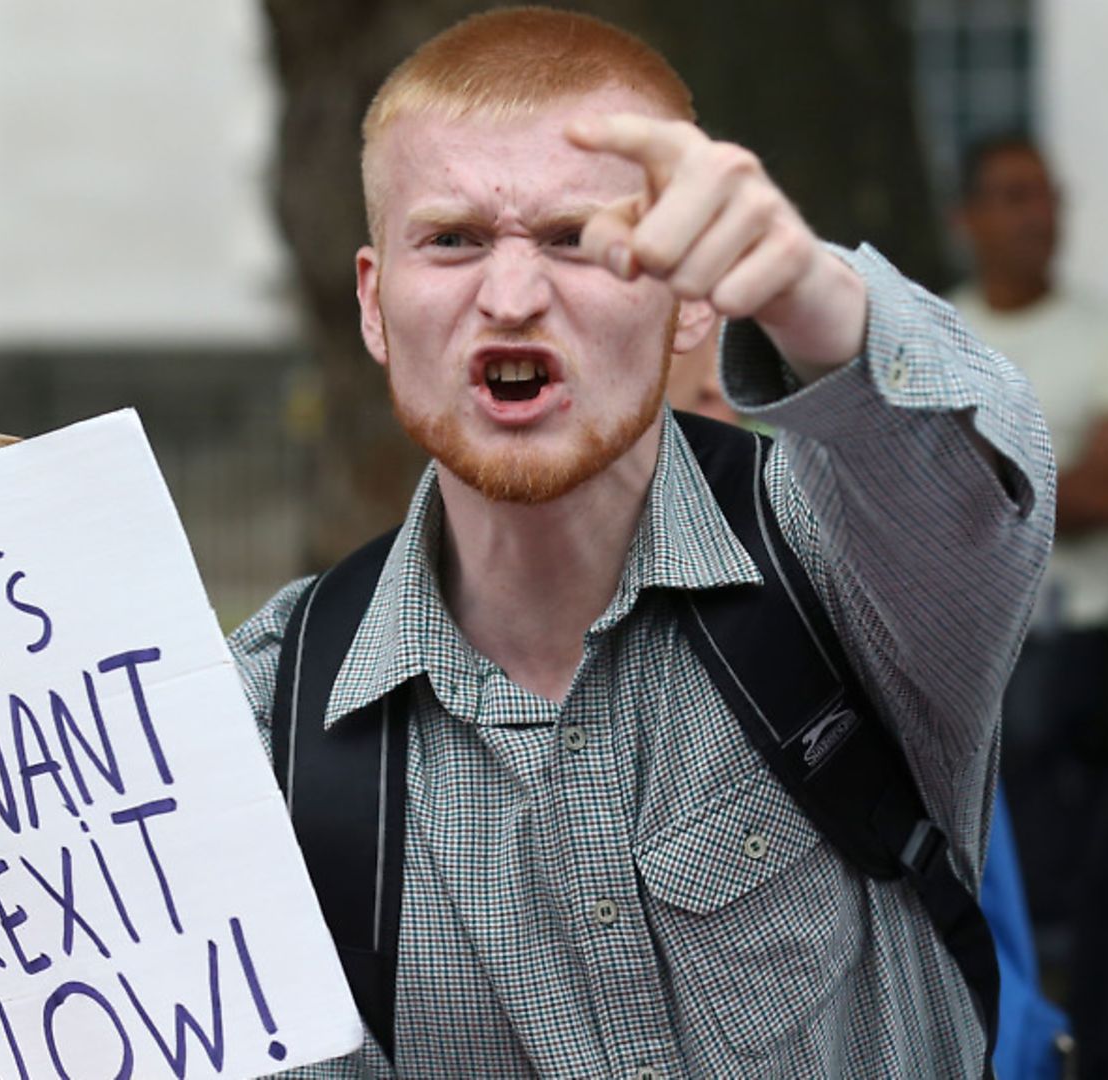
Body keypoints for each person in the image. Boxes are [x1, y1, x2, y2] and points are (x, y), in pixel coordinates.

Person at [230, 8, 1053, 1076]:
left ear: (692, 303)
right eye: (452, 240)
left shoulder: (837, 571)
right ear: (375, 304)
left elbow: (973, 486)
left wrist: (814, 298)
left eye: (579, 241)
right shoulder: (267, 716)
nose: (513, 297)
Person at [947, 134, 1108, 960]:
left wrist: (961, 473)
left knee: (1071, 899)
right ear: (963, 217)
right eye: (1011, 195)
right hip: (957, 654)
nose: (1038, 215)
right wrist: (1043, 473)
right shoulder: (928, 335)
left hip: (1078, 659)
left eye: (1046, 195)